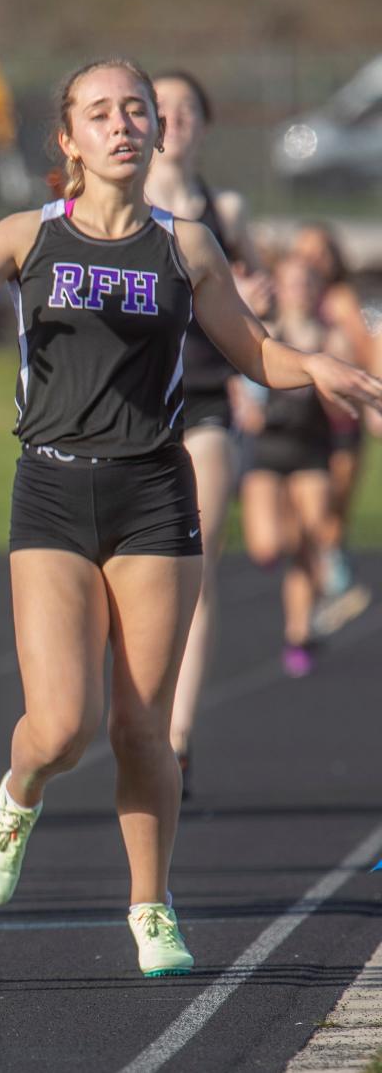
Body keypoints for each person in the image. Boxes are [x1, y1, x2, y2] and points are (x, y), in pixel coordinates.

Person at [0, 57, 382, 977]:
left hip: (155, 492)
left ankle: (151, 905)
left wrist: (317, 369)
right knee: (60, 724)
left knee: (140, 725)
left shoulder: (186, 245)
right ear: (69, 139)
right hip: (51, 490)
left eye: (137, 111)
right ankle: (21, 787)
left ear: (156, 132)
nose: (123, 124)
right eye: (101, 113)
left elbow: (254, 352)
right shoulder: (26, 238)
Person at [145, 71, 263, 798]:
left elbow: (250, 302)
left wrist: (257, 307)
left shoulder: (226, 209)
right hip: (132, 403)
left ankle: (177, 736)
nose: (174, 120)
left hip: (207, 398)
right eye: (161, 110)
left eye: (187, 109)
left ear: (204, 125)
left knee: (196, 559)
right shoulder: (121, 209)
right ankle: (141, 712)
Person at [235, 255, 353, 677]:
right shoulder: (263, 333)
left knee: (311, 533)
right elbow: (240, 378)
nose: (299, 291)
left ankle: (299, 631)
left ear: (316, 290)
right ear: (279, 288)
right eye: (291, 283)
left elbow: (348, 396)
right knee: (268, 546)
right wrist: (243, 404)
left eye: (306, 283)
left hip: (310, 451)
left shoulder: (330, 339)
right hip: (267, 451)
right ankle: (314, 563)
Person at [291, 223, 373, 633]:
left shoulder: (339, 299)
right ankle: (328, 581)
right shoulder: (293, 292)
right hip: (306, 421)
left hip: (341, 416)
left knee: (333, 502)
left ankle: (333, 581)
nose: (312, 262)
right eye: (304, 253)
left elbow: (364, 347)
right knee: (314, 506)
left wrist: (371, 401)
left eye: (319, 253)